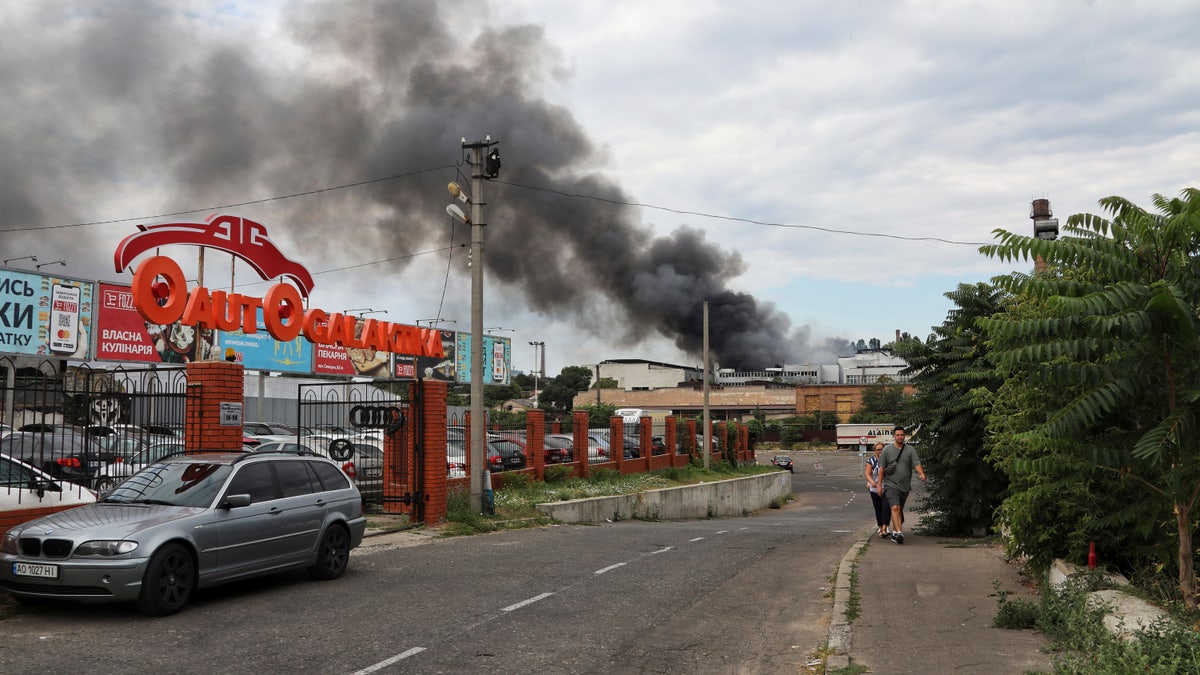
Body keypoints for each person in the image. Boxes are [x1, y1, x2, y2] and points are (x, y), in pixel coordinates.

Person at [880, 425, 926, 545]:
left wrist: (921, 474)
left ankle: (895, 533)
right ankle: (899, 533)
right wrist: (879, 485)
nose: (900, 437)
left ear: (904, 436)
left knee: (899, 510)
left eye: (902, 435)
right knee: (895, 507)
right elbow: (881, 469)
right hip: (890, 484)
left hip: (904, 486)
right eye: (898, 435)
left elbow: (916, 463)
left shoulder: (910, 450)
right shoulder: (887, 450)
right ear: (894, 436)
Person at [864, 442, 890, 538]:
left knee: (886, 507)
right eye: (878, 449)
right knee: (878, 508)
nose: (880, 451)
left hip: (886, 487)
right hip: (875, 487)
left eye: (881, 449)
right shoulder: (871, 460)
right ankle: (880, 526)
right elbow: (867, 473)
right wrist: (871, 482)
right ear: (875, 450)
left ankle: (885, 527)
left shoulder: (888, 460)